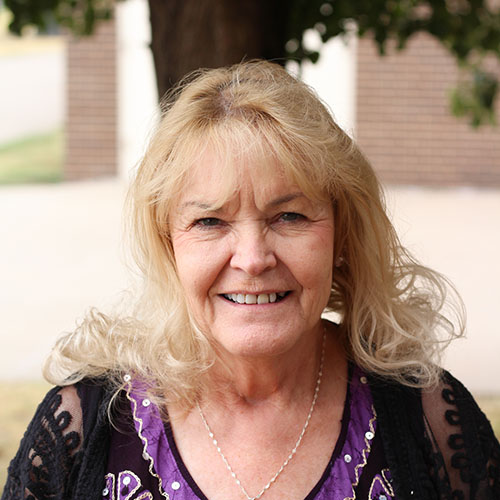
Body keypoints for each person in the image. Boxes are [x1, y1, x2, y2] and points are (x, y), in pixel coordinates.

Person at [2, 60, 499, 500]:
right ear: (168, 242)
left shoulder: (433, 422)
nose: (254, 258)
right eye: (210, 222)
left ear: (341, 232)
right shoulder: (83, 430)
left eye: (289, 217)